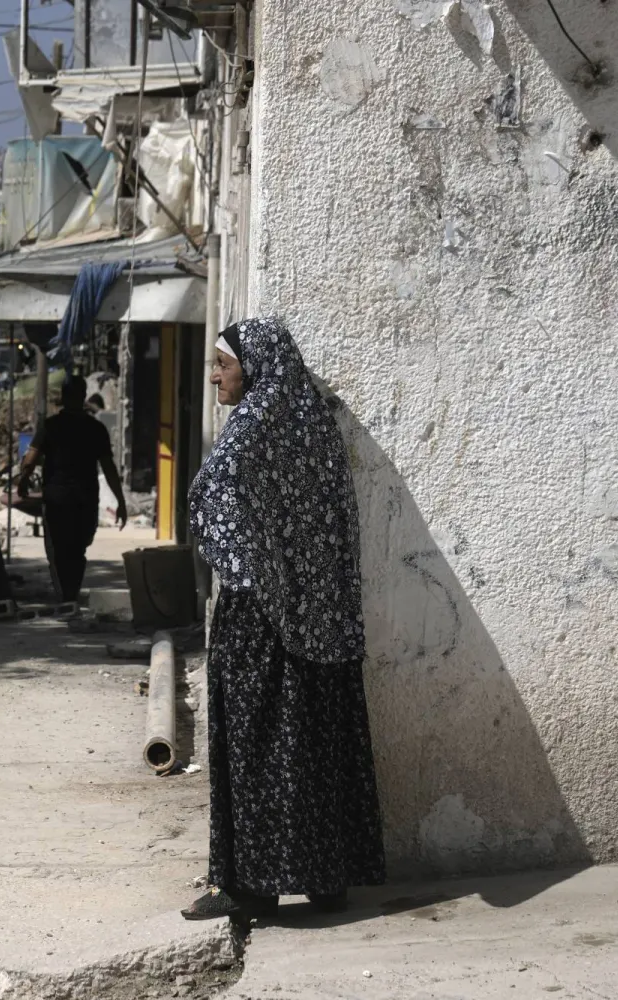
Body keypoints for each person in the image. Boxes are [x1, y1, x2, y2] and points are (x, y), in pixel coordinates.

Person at [182, 318, 385, 921]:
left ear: (256, 365)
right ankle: (325, 880)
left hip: (258, 614)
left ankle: (248, 885)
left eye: (223, 363)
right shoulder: (312, 420)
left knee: (253, 744)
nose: (215, 375)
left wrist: (247, 565)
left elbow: (208, 497)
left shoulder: (253, 423)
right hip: (321, 617)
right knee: (313, 738)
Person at [16, 375, 126, 603]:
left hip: (57, 498)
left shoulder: (51, 426)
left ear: (63, 397)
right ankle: (70, 594)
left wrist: (23, 480)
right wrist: (120, 501)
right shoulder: (95, 429)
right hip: (84, 499)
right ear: (83, 396)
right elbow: (109, 469)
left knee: (58, 549)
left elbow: (31, 458)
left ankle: (66, 595)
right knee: (78, 549)